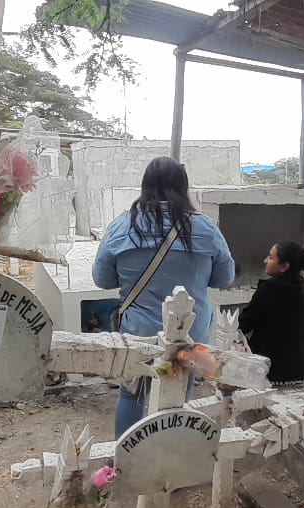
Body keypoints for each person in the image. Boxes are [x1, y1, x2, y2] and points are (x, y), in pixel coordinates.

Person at [93, 157, 235, 436]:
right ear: (183, 187)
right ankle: (173, 448)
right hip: (190, 334)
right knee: (180, 391)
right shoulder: (205, 227)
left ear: (145, 185)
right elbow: (224, 278)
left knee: (132, 393)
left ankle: (127, 453)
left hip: (139, 333)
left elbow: (103, 279)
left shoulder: (121, 226)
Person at [239, 242, 304, 387]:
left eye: (271, 258)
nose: (265, 261)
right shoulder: (302, 285)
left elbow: (244, 324)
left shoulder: (269, 289)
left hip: (277, 371)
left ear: (284, 266)